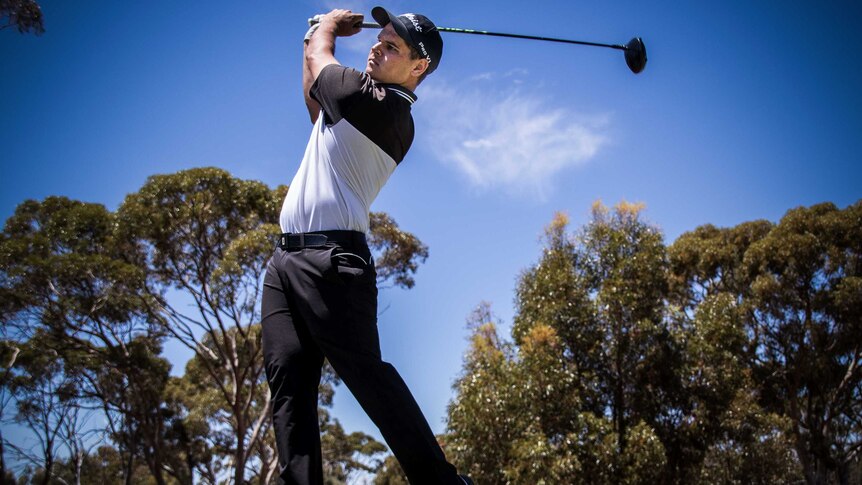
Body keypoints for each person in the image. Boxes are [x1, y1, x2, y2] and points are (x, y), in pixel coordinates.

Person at [261, 6, 473, 485]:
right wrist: (311, 37)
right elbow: (316, 99)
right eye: (379, 38)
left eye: (392, 45)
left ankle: (442, 481)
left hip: (332, 261)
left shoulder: (380, 107)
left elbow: (324, 66)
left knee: (369, 379)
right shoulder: (350, 100)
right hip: (284, 261)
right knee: (287, 386)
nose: (377, 46)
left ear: (419, 68)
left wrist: (328, 27)